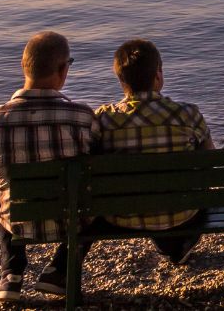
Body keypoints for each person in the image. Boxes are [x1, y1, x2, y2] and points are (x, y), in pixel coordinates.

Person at [0, 31, 94, 303]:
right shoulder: (83, 118)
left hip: (16, 221)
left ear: (24, 67)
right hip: (71, 221)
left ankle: (11, 274)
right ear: (62, 70)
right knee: (91, 198)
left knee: (2, 193)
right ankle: (59, 270)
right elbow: (96, 171)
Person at [91, 38, 214, 263]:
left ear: (121, 80)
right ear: (158, 75)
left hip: (121, 216)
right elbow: (209, 161)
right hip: (180, 215)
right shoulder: (188, 114)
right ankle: (174, 246)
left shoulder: (103, 118)